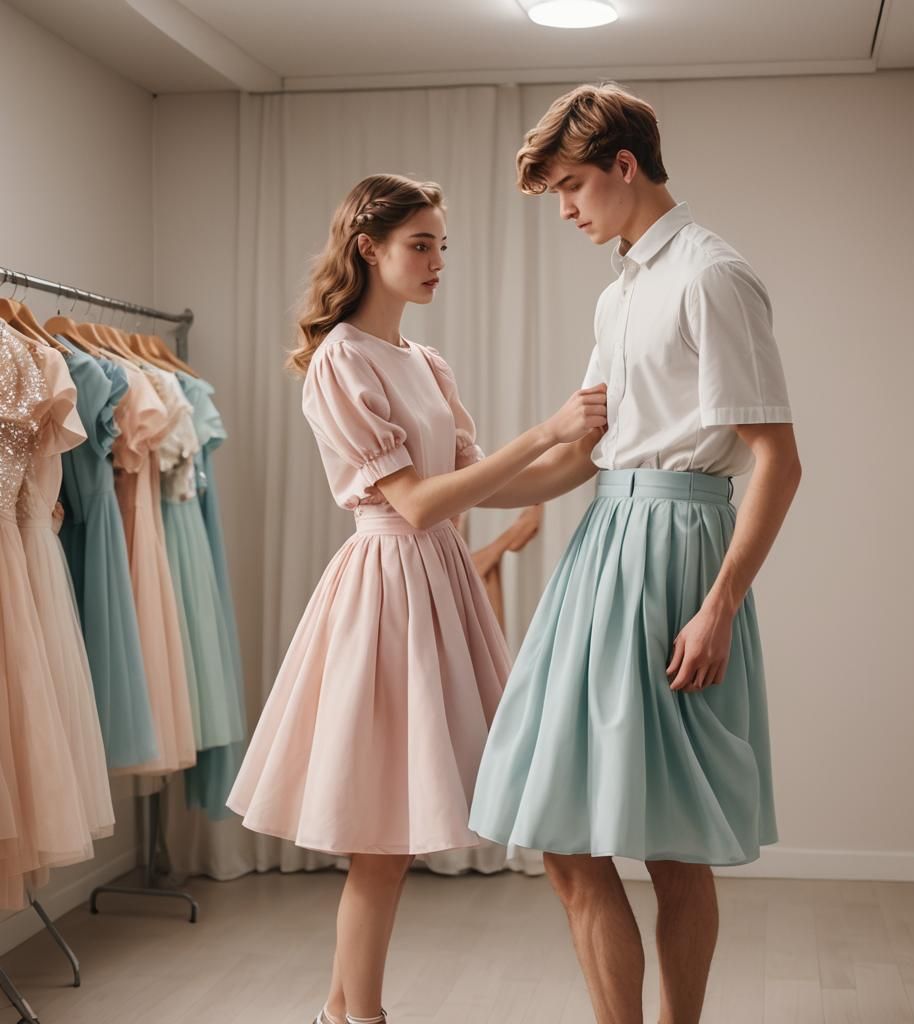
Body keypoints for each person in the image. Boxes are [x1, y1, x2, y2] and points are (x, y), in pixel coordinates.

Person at [225, 173, 607, 1024]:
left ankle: (339, 1012)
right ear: (369, 250)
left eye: (443, 245)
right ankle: (358, 1016)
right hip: (388, 594)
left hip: (440, 587)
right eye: (421, 245)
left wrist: (596, 455)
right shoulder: (339, 362)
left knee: (392, 844)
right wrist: (546, 431)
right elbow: (419, 503)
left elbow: (474, 488)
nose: (438, 262)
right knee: (380, 843)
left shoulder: (425, 363)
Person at [468, 83, 802, 1024]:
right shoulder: (622, 290)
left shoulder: (711, 276)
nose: (567, 212)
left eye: (573, 187)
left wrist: (720, 604)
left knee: (670, 840)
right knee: (565, 837)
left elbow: (779, 459)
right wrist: (452, 494)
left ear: (625, 165)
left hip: (678, 555)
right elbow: (585, 455)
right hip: (602, 547)